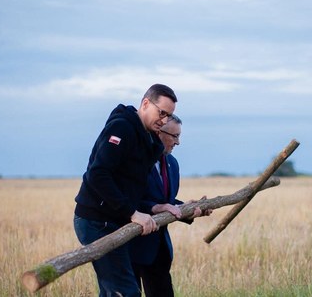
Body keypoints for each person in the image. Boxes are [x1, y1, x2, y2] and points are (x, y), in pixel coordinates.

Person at [73, 84, 178, 297]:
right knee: (126, 292)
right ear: (146, 103)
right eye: (162, 113)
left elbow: (133, 187)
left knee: (113, 291)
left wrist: (158, 207)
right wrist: (132, 213)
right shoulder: (122, 128)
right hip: (96, 221)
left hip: (114, 219)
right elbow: (98, 174)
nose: (165, 120)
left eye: (169, 116)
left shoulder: (148, 139)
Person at [129, 115, 212, 297]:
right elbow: (127, 198)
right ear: (158, 132)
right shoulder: (136, 159)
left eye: (179, 136)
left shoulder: (172, 163)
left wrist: (188, 209)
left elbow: (167, 201)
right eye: (174, 136)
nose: (178, 142)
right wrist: (154, 208)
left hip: (159, 248)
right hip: (129, 245)